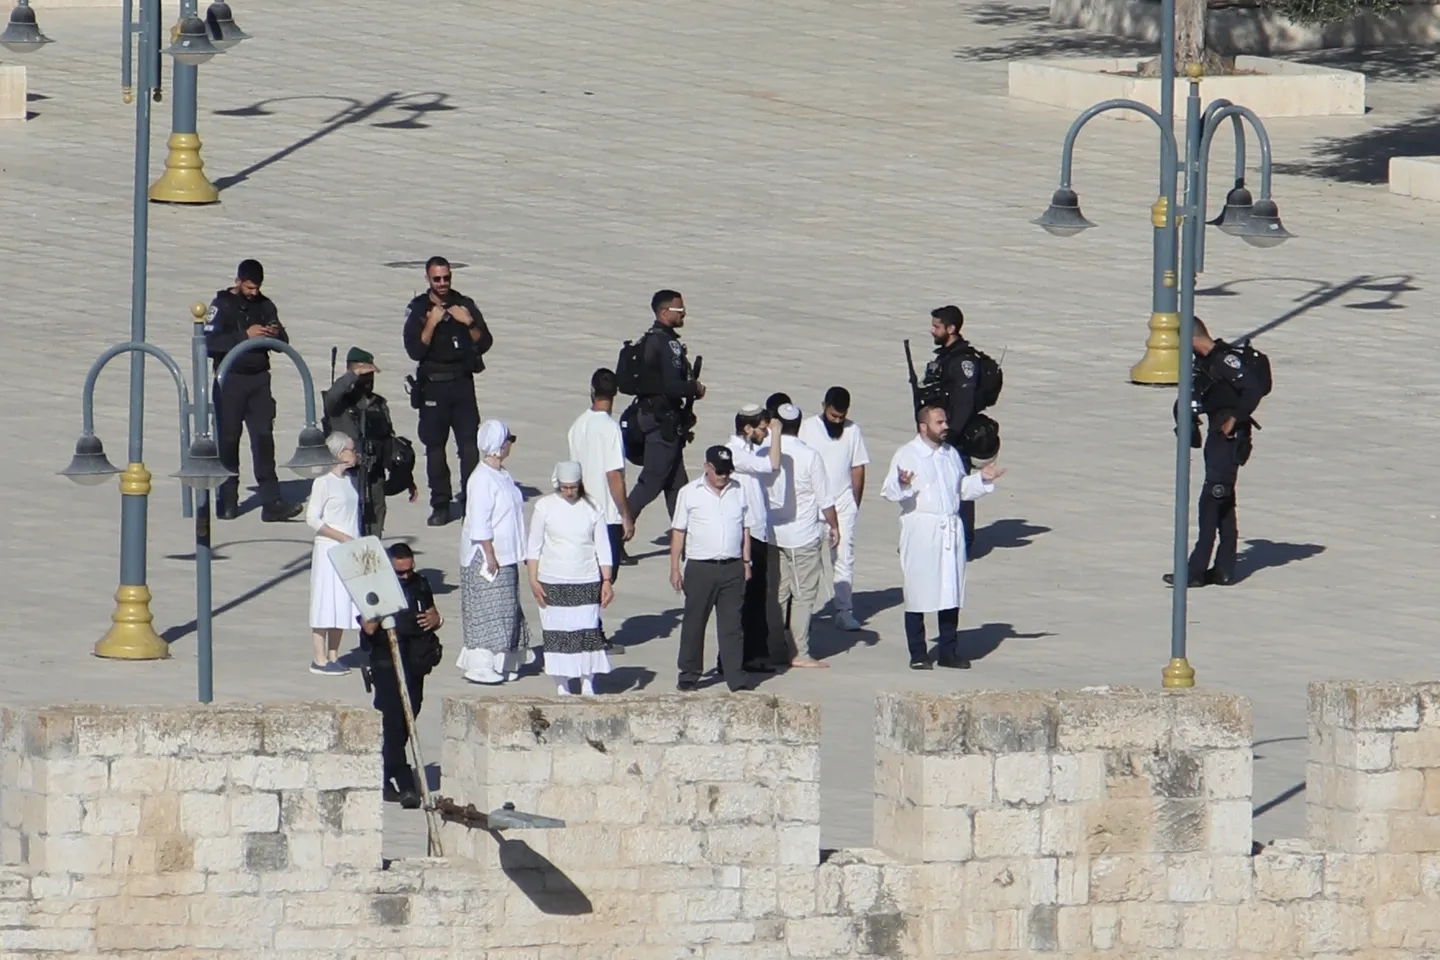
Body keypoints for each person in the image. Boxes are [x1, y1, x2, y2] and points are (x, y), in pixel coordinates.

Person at [881, 405, 1005, 670]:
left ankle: (949, 651)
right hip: (921, 529)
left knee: (950, 589)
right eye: (939, 422)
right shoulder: (908, 454)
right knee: (917, 590)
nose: (945, 426)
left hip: (949, 527)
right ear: (923, 427)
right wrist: (903, 483)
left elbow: (960, 488)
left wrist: (981, 479)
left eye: (945, 421)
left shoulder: (951, 454)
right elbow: (890, 491)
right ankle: (918, 653)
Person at [1165, 317, 1265, 588]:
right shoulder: (1205, 362)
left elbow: (1253, 389)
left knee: (1211, 501)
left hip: (1228, 438)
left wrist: (1234, 419)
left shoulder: (1224, 360)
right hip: (1217, 435)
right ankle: (1224, 569)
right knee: (1223, 502)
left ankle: (1195, 571)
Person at [205, 259, 303, 522]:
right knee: (228, 440)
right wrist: (244, 337)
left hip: (259, 380)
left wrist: (273, 334)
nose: (253, 293)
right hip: (231, 380)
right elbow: (209, 344)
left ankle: (272, 501)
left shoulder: (265, 305)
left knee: (263, 439)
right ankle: (227, 500)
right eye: (249, 287)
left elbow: (284, 341)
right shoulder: (222, 306)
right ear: (238, 282)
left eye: (257, 287)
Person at [402, 257, 494, 528]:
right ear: (428, 279)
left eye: (446, 278)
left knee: (468, 447)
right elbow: (414, 351)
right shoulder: (419, 309)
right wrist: (431, 323)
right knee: (435, 448)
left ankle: (471, 500)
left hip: (462, 384)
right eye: (437, 279)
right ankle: (440, 503)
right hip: (433, 385)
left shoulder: (464, 304)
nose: (442, 284)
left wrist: (468, 323)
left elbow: (486, 341)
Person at [358, 543, 442, 809]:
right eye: (400, 573)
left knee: (409, 718)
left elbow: (432, 612)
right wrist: (379, 609)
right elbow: (368, 628)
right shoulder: (375, 586)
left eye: (409, 570)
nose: (406, 576)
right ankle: (402, 779)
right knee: (392, 722)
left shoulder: (421, 584)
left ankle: (387, 772)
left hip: (415, 662)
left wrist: (436, 619)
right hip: (386, 663)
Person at [526, 462, 616, 696]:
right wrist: (533, 581)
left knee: (587, 632)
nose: (569, 492)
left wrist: (606, 580)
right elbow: (533, 547)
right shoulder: (544, 507)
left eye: (573, 487)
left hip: (586, 578)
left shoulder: (593, 507)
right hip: (552, 579)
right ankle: (562, 684)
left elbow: (603, 547)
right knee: (558, 633)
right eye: (565, 487)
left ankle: (587, 682)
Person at [669, 445, 752, 693]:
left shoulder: (739, 491)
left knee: (732, 626)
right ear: (707, 467)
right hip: (700, 567)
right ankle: (689, 674)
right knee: (694, 623)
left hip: (732, 567)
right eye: (719, 472)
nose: (724, 477)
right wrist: (675, 567)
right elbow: (679, 531)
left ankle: (736, 677)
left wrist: (746, 562)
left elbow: (746, 529)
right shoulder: (689, 493)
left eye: (727, 472)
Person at [456, 420, 533, 684]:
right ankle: (480, 663)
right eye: (508, 439)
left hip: (506, 553)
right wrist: (489, 554)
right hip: (486, 555)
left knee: (506, 608)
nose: (511, 443)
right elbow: (480, 521)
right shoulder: (480, 479)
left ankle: (502, 660)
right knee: (487, 609)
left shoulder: (502, 475)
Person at [768, 404, 840, 669]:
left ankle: (774, 647)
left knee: (778, 592)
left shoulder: (769, 451)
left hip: (773, 534)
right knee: (804, 594)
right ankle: (799, 651)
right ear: (799, 425)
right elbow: (825, 499)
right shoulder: (809, 456)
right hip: (802, 536)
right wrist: (834, 526)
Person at [626, 289, 705, 523]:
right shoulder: (667, 344)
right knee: (651, 482)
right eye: (680, 310)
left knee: (676, 485)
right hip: (662, 422)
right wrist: (694, 388)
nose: (684, 314)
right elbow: (673, 386)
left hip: (657, 417)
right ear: (664, 312)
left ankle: (687, 536)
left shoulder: (650, 339)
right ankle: (616, 536)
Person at [323, 347, 416, 537]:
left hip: (375, 476)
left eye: (371, 378)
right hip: (349, 476)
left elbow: (388, 440)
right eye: (364, 377)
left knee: (375, 525)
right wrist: (352, 375)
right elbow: (331, 396)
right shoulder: (340, 405)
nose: (368, 382)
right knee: (350, 526)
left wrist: (405, 477)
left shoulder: (378, 404)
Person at [799, 386, 870, 631]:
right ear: (824, 407)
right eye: (832, 416)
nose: (837, 421)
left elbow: (858, 467)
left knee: (844, 556)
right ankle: (802, 611)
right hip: (812, 503)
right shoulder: (807, 428)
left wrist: (854, 502)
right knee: (808, 558)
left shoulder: (853, 431)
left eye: (841, 417)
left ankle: (843, 609)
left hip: (842, 501)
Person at [923, 305, 993, 553]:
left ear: (951, 329)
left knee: (960, 486)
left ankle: (963, 539)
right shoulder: (946, 357)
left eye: (937, 326)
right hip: (938, 434)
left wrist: (948, 437)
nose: (932, 330)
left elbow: (963, 406)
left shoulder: (963, 362)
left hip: (955, 438)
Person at [724, 404, 785, 675]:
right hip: (744, 535)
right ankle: (734, 657)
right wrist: (778, 431)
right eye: (762, 429)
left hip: (758, 532)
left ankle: (754, 654)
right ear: (747, 429)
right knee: (744, 598)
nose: (766, 433)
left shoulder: (748, 448)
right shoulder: (736, 453)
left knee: (757, 595)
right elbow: (773, 464)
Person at [305, 432, 360, 676]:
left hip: (348, 549)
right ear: (340, 453)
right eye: (351, 449)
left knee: (341, 601)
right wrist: (341, 537)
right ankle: (319, 658)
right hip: (329, 548)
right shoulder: (323, 482)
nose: (354, 454)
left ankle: (333, 655)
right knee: (324, 601)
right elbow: (312, 519)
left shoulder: (348, 481)